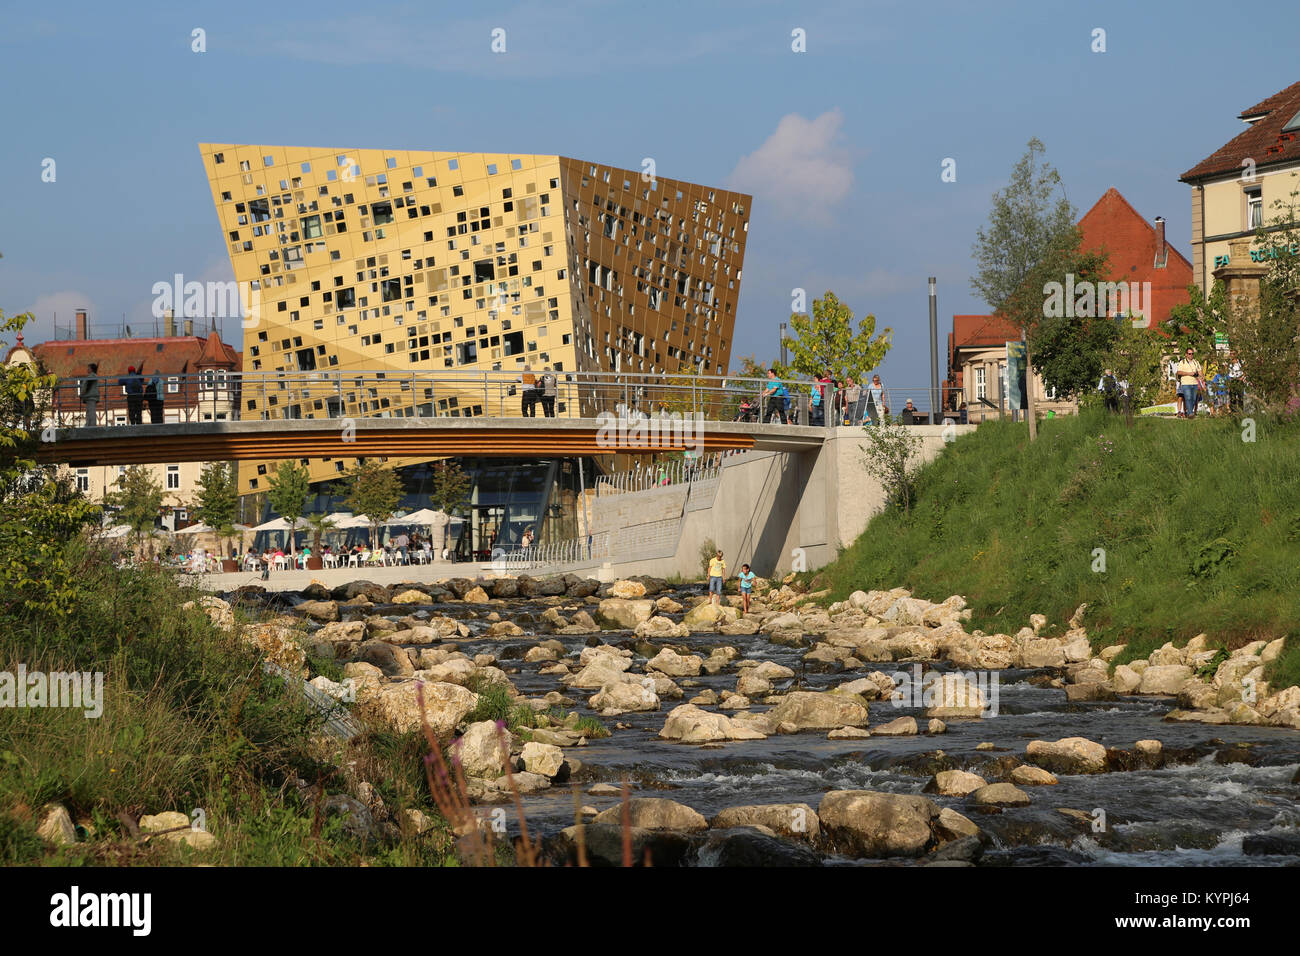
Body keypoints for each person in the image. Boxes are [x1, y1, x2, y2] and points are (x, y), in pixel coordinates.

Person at [1174, 347, 1204, 419]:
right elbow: (1179, 372)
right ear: (1186, 354)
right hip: (1185, 383)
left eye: (1192, 354)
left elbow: (1200, 371)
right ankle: (1190, 413)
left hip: (1194, 383)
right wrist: (1189, 373)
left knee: (1193, 399)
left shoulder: (1196, 362)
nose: (1191, 355)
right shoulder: (1182, 362)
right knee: (1188, 398)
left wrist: (1202, 376)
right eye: (1189, 354)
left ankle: (1188, 412)